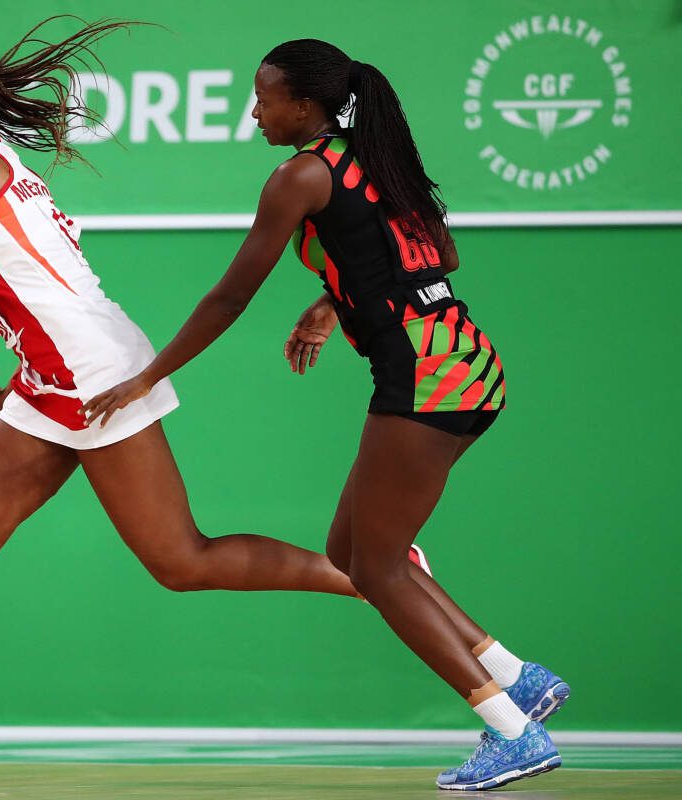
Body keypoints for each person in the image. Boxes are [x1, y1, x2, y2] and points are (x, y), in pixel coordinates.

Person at [0, 21, 427, 788]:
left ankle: (370, 572)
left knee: (181, 560)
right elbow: (48, 293)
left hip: (85, 371)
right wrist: (16, 391)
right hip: (62, 370)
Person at [83, 39, 570, 792]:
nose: (254, 111)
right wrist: (328, 303)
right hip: (470, 364)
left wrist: (148, 376)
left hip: (425, 379)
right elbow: (438, 253)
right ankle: (517, 675)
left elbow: (229, 297)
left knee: (376, 566)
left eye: (264, 97)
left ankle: (512, 731)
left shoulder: (299, 176)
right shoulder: (373, 155)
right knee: (353, 553)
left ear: (303, 107)